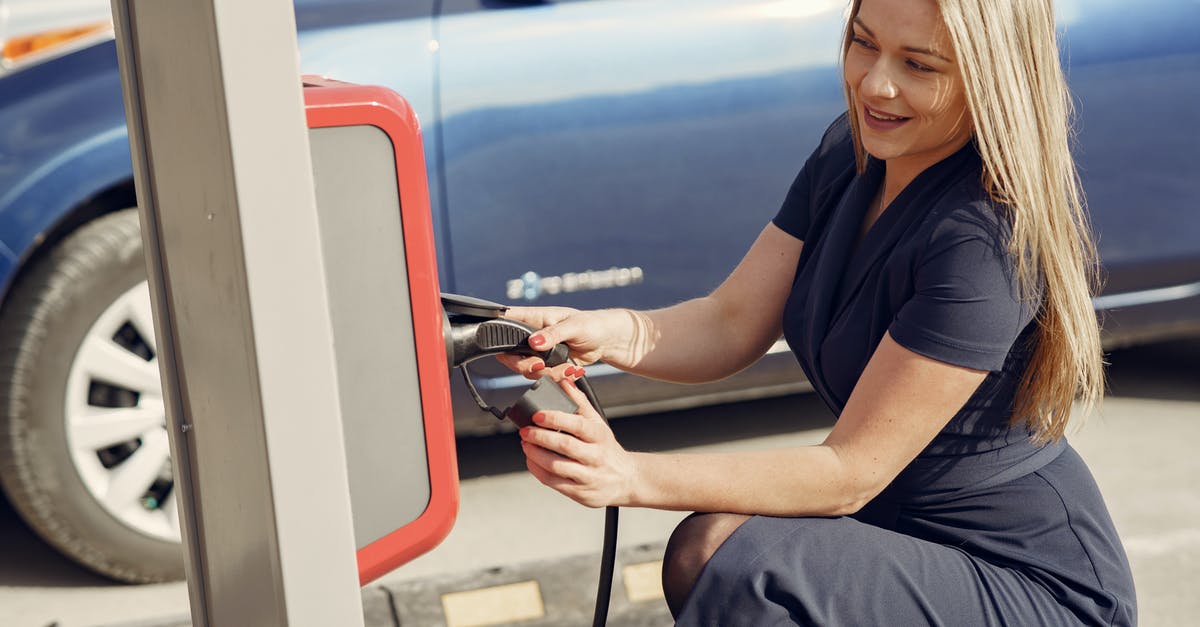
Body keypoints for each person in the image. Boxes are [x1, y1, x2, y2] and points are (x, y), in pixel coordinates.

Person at [498, 0, 1137, 623]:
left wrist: (629, 475)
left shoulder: (983, 240)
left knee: (741, 560)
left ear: (992, 77)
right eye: (863, 42)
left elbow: (848, 472)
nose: (875, 84)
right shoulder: (851, 151)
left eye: (920, 65)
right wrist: (602, 332)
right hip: (897, 524)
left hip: (1024, 579)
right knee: (708, 548)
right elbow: (730, 322)